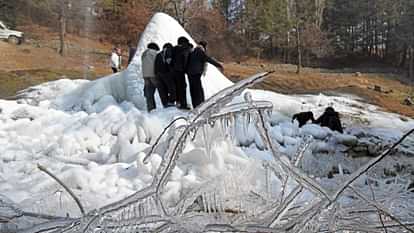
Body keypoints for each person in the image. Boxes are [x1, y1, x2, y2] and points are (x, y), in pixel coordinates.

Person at [186, 40, 223, 108]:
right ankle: (201, 105)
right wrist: (219, 65)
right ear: (204, 46)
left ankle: (195, 105)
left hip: (189, 73)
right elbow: (209, 59)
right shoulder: (200, 52)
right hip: (196, 73)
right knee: (198, 90)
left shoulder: (193, 51)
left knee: (192, 89)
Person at [141, 42, 168, 112]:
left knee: (149, 93)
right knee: (161, 90)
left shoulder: (144, 54)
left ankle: (151, 109)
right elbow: (159, 62)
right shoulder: (155, 53)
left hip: (145, 76)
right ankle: (166, 105)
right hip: (154, 75)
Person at [172, 36, 192, 110]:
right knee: (182, 87)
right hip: (180, 71)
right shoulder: (184, 50)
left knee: (177, 87)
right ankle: (183, 105)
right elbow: (185, 60)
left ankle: (178, 102)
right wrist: (186, 69)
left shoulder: (174, 49)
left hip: (173, 71)